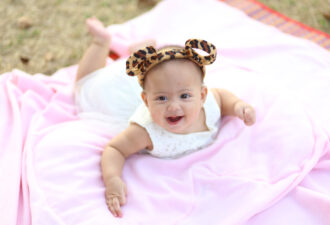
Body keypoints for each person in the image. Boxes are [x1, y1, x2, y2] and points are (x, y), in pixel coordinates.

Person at [75, 17, 256, 218]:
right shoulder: (145, 131)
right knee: (85, 87)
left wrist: (238, 106)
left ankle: (143, 52)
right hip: (121, 97)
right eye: (161, 99)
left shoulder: (210, 103)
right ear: (146, 101)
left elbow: (223, 98)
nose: (173, 106)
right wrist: (112, 179)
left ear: (202, 95)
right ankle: (101, 43)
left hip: (157, 83)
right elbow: (115, 148)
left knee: (164, 80)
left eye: (185, 96)